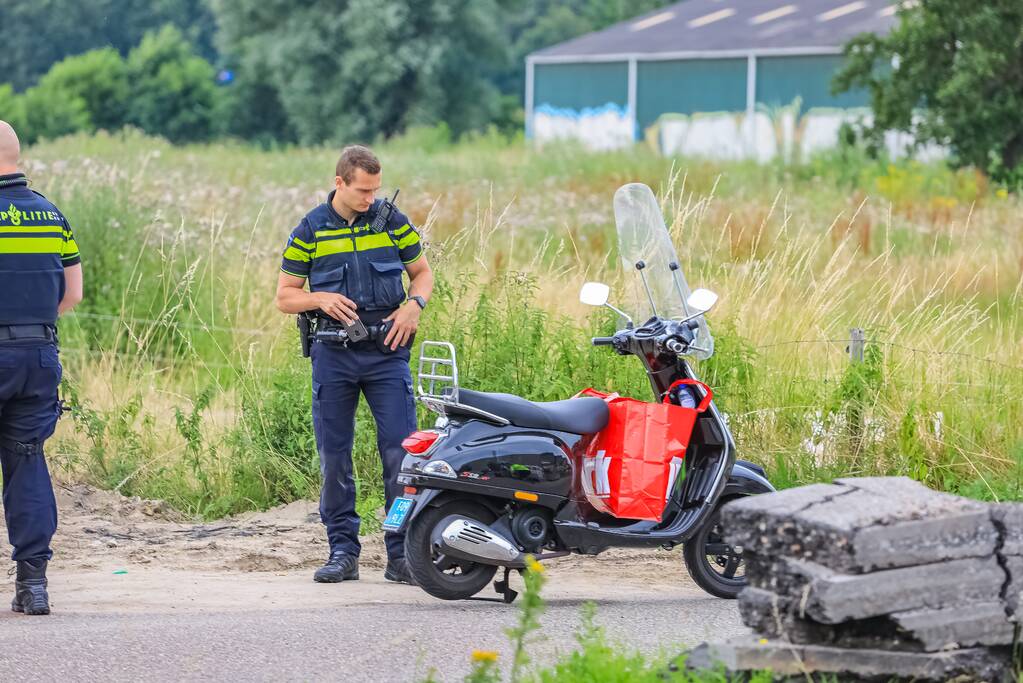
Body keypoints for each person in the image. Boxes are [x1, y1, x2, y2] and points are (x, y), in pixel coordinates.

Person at [275, 145, 434, 585]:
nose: (370, 199)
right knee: (335, 457)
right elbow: (285, 295)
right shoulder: (310, 229)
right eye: (363, 191)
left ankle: (401, 555)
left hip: (387, 353)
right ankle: (342, 551)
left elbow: (422, 273)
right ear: (339, 182)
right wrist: (318, 297)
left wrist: (413, 306)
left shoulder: (392, 222)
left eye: (376, 190)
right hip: (333, 357)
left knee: (402, 457)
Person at [0, 121, 83, 614]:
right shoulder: (52, 215)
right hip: (37, 356)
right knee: (27, 462)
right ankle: (33, 586)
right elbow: (72, 295)